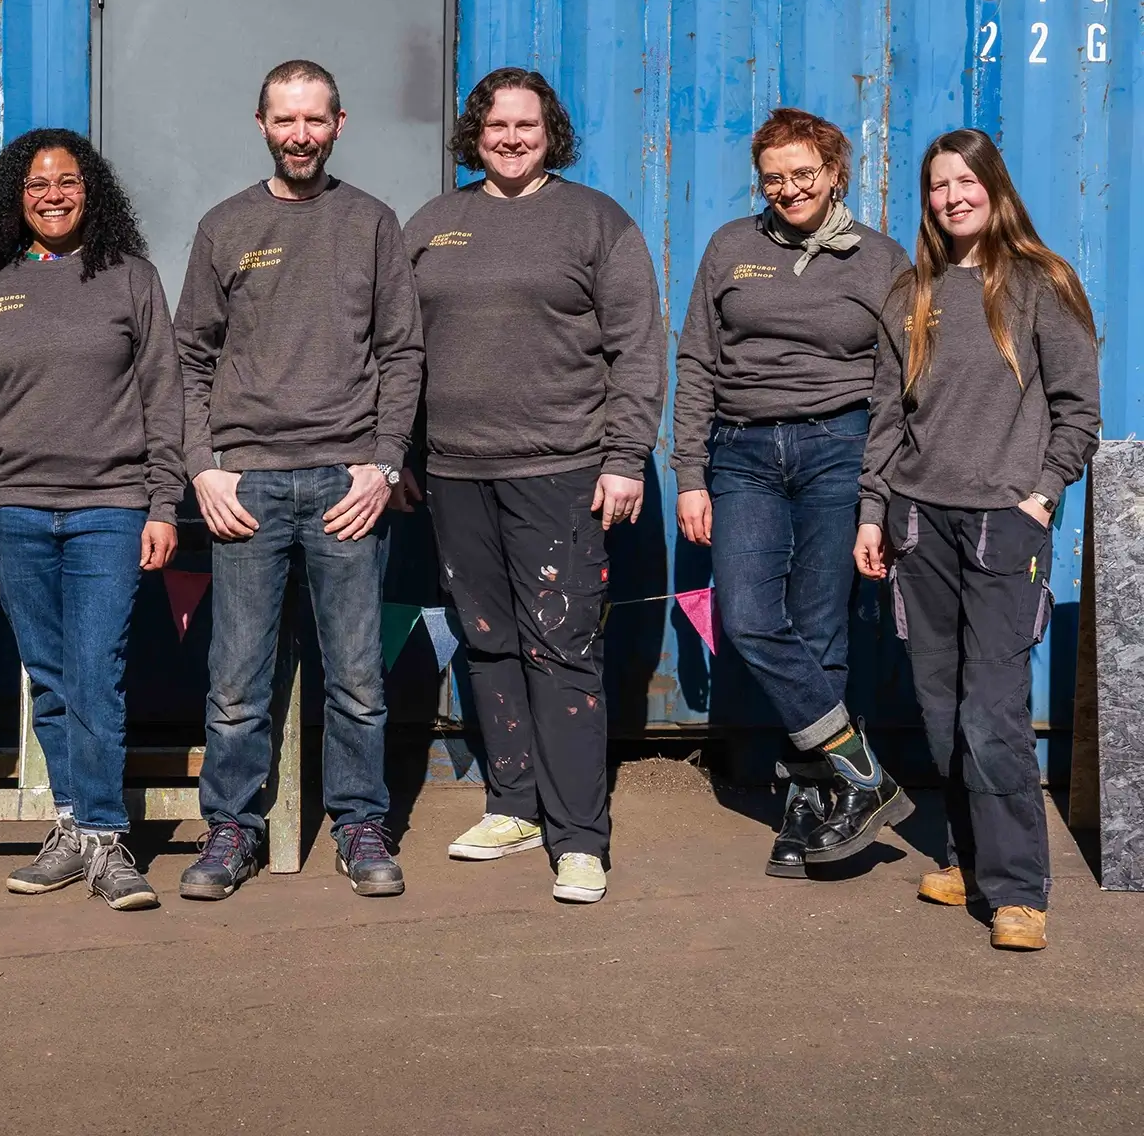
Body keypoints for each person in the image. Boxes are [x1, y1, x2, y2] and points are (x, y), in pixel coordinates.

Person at [405, 68, 665, 904]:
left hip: (561, 470)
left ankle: (581, 837)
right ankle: (513, 803)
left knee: (564, 645)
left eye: (527, 126)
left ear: (550, 132)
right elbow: (399, 351)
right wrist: (398, 453)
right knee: (487, 640)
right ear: (473, 134)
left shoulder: (595, 221)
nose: (511, 139)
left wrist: (625, 457)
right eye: (495, 126)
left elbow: (638, 348)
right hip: (453, 469)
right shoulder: (435, 225)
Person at [174, 60, 423, 900]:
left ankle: (359, 821)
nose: (301, 135)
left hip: (347, 484)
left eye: (315, 120)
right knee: (239, 679)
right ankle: (233, 830)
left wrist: (385, 464)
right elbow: (189, 359)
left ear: (340, 125)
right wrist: (203, 469)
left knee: (355, 675)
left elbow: (402, 353)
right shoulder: (224, 227)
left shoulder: (372, 223)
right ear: (262, 125)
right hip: (245, 487)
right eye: (286, 120)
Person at [856, 129, 1099, 953]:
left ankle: (1018, 889)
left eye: (965, 180)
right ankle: (965, 855)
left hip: (1005, 524)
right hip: (918, 523)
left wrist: (1042, 494)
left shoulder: (1040, 283)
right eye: (937, 185)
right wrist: (872, 512)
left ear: (993, 185)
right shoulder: (911, 292)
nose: (952, 196)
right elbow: (888, 416)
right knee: (938, 707)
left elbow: (1078, 412)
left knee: (993, 712)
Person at [672, 108, 916, 877]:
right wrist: (689, 475)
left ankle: (815, 803)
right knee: (746, 619)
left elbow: (895, 388)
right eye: (773, 177)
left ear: (836, 173)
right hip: (741, 453)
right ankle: (864, 774)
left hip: (837, 449)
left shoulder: (882, 260)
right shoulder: (731, 247)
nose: (787, 189)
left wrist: (875, 500)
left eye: (802, 174)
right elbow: (697, 363)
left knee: (821, 630)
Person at [0, 128, 184, 910]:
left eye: (68, 181)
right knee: (49, 680)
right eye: (37, 184)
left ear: (93, 190)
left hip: (109, 511)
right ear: (14, 198)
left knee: (95, 670)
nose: (53, 194)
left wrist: (162, 505)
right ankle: (73, 826)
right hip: (10, 512)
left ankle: (108, 839)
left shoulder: (130, 279)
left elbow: (164, 399)